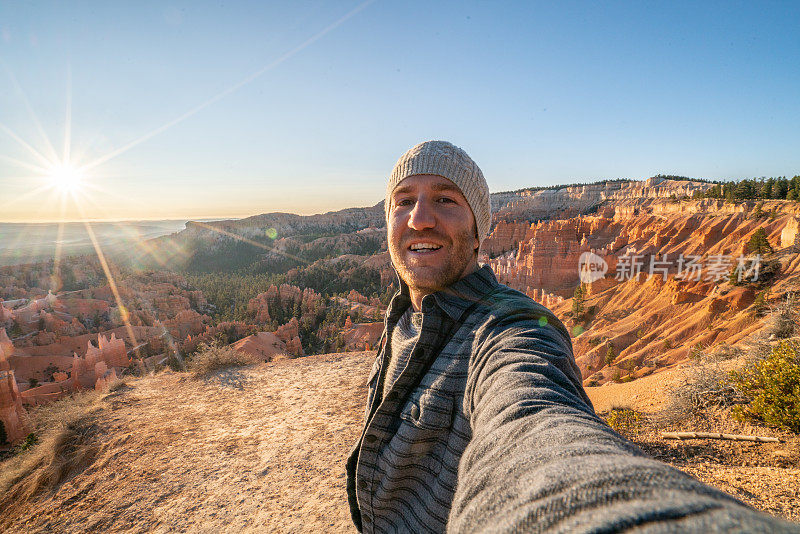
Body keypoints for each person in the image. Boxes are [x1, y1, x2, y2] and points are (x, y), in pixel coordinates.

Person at [345, 140, 799, 533]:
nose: (420, 218)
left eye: (446, 199)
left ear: (479, 227)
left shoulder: (511, 329)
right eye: (403, 201)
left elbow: (534, 420)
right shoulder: (405, 316)